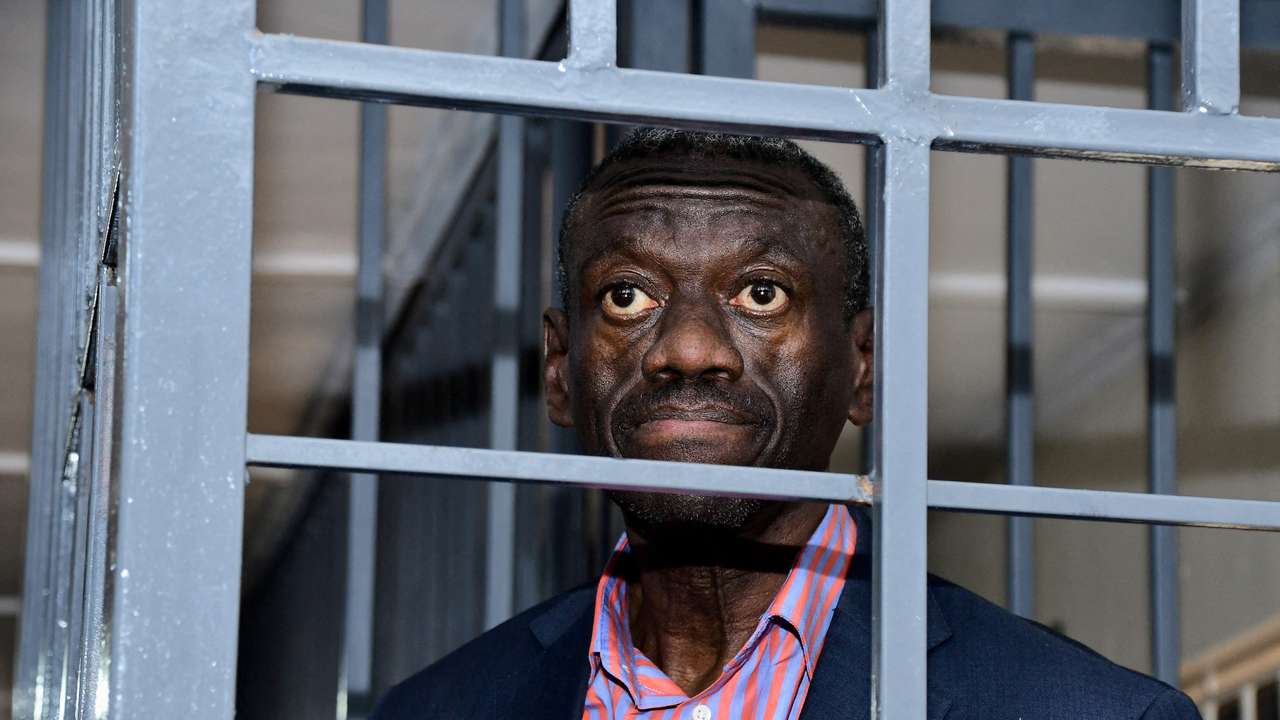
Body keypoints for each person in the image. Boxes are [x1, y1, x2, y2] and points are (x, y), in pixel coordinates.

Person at [372, 129, 1200, 719]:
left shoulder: (1081, 710)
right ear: (561, 371)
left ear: (863, 367)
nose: (690, 349)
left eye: (761, 293)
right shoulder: (437, 706)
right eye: (628, 295)